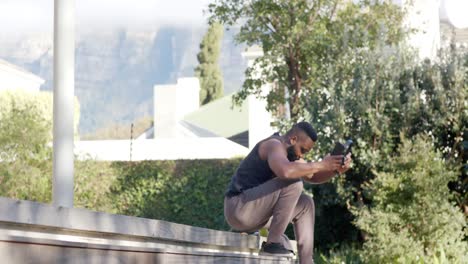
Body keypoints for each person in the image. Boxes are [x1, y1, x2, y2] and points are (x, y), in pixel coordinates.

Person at [224, 121, 352, 264]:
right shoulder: (273, 145)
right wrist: (322, 164)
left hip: (256, 214)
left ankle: (306, 261)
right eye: (302, 150)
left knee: (306, 204)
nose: (301, 155)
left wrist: (335, 170)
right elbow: (285, 171)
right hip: (238, 208)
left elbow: (313, 176)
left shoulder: (292, 155)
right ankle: (272, 244)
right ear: (293, 139)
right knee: (293, 182)